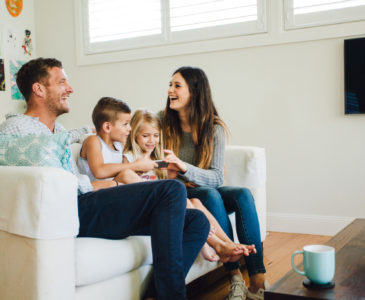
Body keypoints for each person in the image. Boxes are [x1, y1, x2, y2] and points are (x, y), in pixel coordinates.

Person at [0, 58, 210, 300]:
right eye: (62, 82)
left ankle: (155, 295)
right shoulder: (15, 129)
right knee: (171, 190)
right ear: (39, 89)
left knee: (196, 222)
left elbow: (69, 159)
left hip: (87, 201)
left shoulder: (57, 132)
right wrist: (99, 184)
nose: (70, 89)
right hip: (69, 210)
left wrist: (98, 181)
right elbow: (43, 183)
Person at [160, 66, 268, 300]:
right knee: (209, 195)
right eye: (170, 85)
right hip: (179, 193)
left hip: (207, 188)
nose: (170, 90)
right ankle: (235, 277)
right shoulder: (162, 123)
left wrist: (184, 167)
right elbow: (145, 145)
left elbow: (217, 177)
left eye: (177, 86)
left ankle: (258, 279)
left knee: (242, 194)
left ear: (195, 92)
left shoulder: (214, 128)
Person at [123, 109, 256, 263]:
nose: (151, 140)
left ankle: (228, 243)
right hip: (147, 205)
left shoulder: (158, 159)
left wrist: (185, 181)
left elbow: (170, 181)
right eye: (145, 136)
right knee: (186, 202)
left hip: (162, 202)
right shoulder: (130, 157)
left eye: (156, 136)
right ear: (134, 135)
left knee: (196, 203)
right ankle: (218, 246)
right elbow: (125, 183)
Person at [77, 97, 155, 185]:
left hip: (115, 190)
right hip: (94, 193)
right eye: (125, 124)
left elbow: (119, 171)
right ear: (107, 127)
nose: (130, 128)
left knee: (129, 174)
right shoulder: (93, 141)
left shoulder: (119, 145)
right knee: (126, 175)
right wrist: (135, 165)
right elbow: (99, 171)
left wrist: (138, 169)